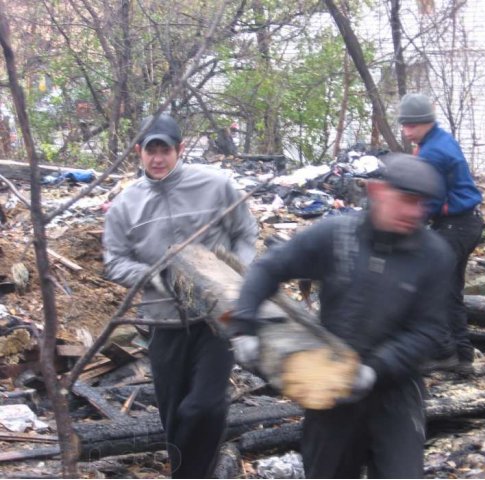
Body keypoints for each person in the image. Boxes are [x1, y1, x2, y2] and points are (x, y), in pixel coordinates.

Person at [229, 153, 456, 479]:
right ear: (378, 191)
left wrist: (374, 369)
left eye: (422, 204)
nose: (414, 212)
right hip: (330, 386)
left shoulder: (433, 255)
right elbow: (269, 268)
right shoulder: (336, 236)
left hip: (395, 392)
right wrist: (244, 325)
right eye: (406, 200)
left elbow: (429, 331)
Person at [102, 113, 258, 477]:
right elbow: (116, 262)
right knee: (173, 414)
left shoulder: (216, 186)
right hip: (162, 319)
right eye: (150, 151)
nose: (158, 159)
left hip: (216, 319)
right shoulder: (126, 206)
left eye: (165, 150)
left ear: (180, 149)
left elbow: (246, 233)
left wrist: (233, 275)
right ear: (138, 152)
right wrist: (163, 278)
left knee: (204, 406)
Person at [397, 93, 484, 375]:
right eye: (404, 125)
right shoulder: (435, 141)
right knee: (450, 291)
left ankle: (445, 353)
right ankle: (463, 356)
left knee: (431, 288)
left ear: (427, 123)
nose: (407, 131)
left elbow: (426, 199)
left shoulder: (433, 151)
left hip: (455, 225)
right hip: (463, 224)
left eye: (413, 126)